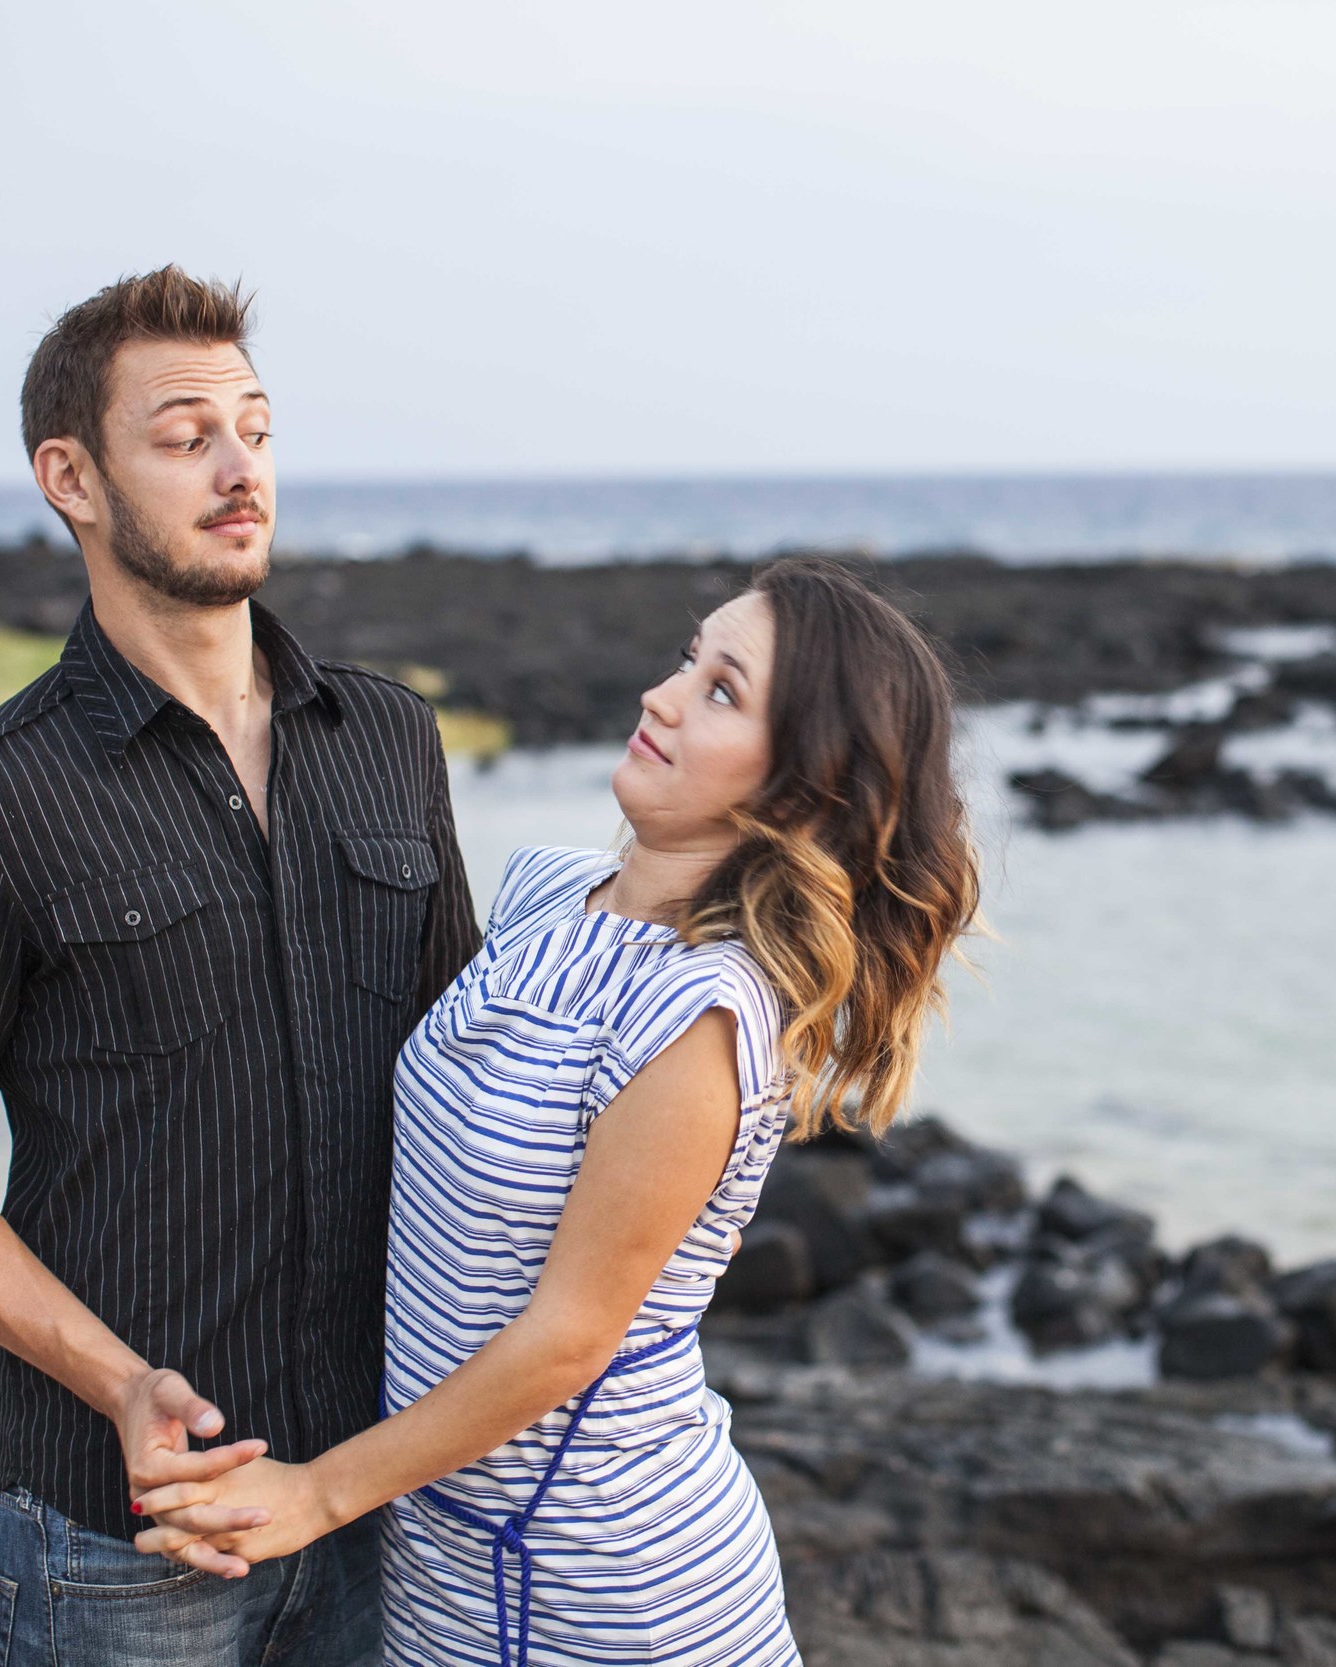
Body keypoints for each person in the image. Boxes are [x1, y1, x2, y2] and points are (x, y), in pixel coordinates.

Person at [128, 556, 983, 1666]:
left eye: (722, 690)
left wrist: (315, 1493)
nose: (661, 696)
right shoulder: (542, 892)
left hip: (600, 1581)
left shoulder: (699, 1009)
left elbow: (570, 1334)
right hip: (445, 1554)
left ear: (804, 786)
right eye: (687, 658)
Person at [0, 265, 481, 1666]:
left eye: (257, 427)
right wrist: (121, 1383)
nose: (242, 469)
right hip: (125, 1540)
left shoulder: (389, 739)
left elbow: (461, 1066)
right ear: (71, 475)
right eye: (187, 436)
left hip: (374, 1502)